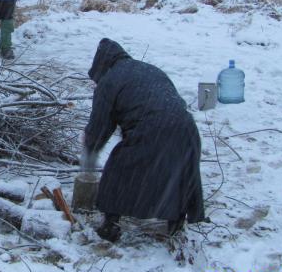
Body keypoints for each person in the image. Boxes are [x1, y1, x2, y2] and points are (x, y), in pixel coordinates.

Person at [82, 38, 205, 242]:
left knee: (119, 169)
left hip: (152, 128)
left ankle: (110, 225)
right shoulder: (149, 69)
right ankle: (174, 222)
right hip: (186, 128)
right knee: (175, 172)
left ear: (100, 65)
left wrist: (90, 148)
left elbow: (100, 126)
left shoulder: (110, 80)